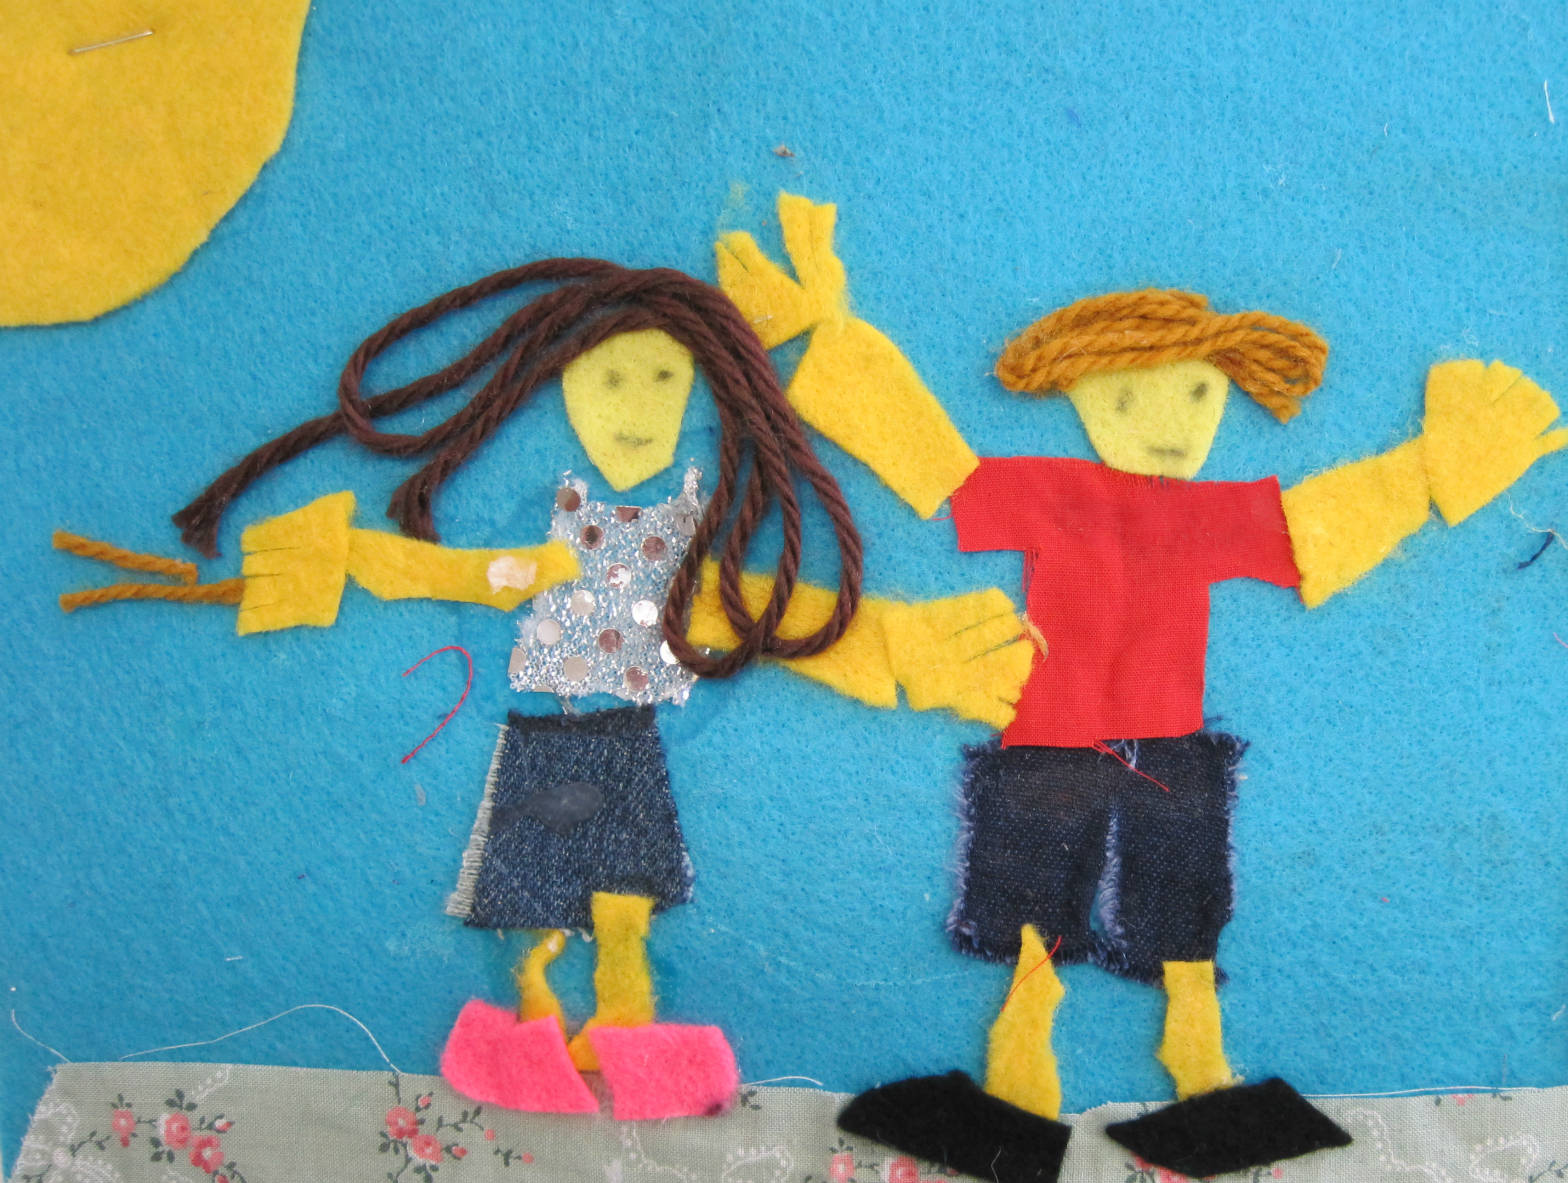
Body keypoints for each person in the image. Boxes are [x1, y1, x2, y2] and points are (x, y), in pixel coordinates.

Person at [706, 197, 1568, 1183]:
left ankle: (1195, 1087)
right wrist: (827, 335)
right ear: (1081, 395)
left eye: (1197, 396)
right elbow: (934, 463)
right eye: (1130, 399)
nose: (1169, 424)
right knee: (1036, 932)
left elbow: (1313, 526)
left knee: (1177, 928)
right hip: (1053, 744)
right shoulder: (1058, 496)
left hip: (1147, 748)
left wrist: (1430, 470)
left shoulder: (1200, 516)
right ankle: (1023, 1100)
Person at [56, 258, 1033, 1121]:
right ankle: (529, 1035)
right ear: (563, 382)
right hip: (549, 739)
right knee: (536, 904)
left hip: (626, 738)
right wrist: (312, 561)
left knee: (625, 902)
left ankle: (624, 1035)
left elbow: (766, 619)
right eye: (609, 377)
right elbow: (440, 572)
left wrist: (903, 645)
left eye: (665, 379)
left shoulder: (689, 549)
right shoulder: (555, 538)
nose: (637, 404)